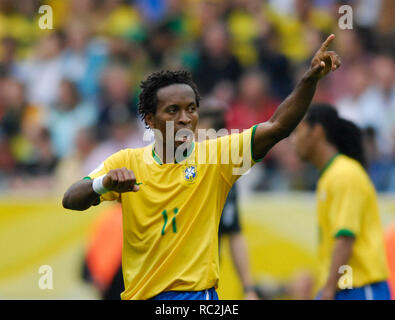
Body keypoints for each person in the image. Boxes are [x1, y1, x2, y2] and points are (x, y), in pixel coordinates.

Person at [63, 34, 341, 300]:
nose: (185, 118)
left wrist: (309, 79)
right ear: (150, 119)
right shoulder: (126, 162)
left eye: (191, 109)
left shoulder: (216, 156)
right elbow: (70, 199)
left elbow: (279, 126)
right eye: (173, 110)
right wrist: (104, 184)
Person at [291, 103, 391, 300]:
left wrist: (328, 290)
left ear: (317, 132)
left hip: (361, 289)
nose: (293, 140)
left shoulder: (344, 174)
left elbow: (345, 237)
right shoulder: (330, 175)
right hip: (345, 288)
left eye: (297, 131)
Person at [198, 106, 259, 300]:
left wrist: (249, 289)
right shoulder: (171, 171)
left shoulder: (224, 181)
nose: (191, 141)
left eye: (200, 135)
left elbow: (234, 233)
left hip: (202, 282)